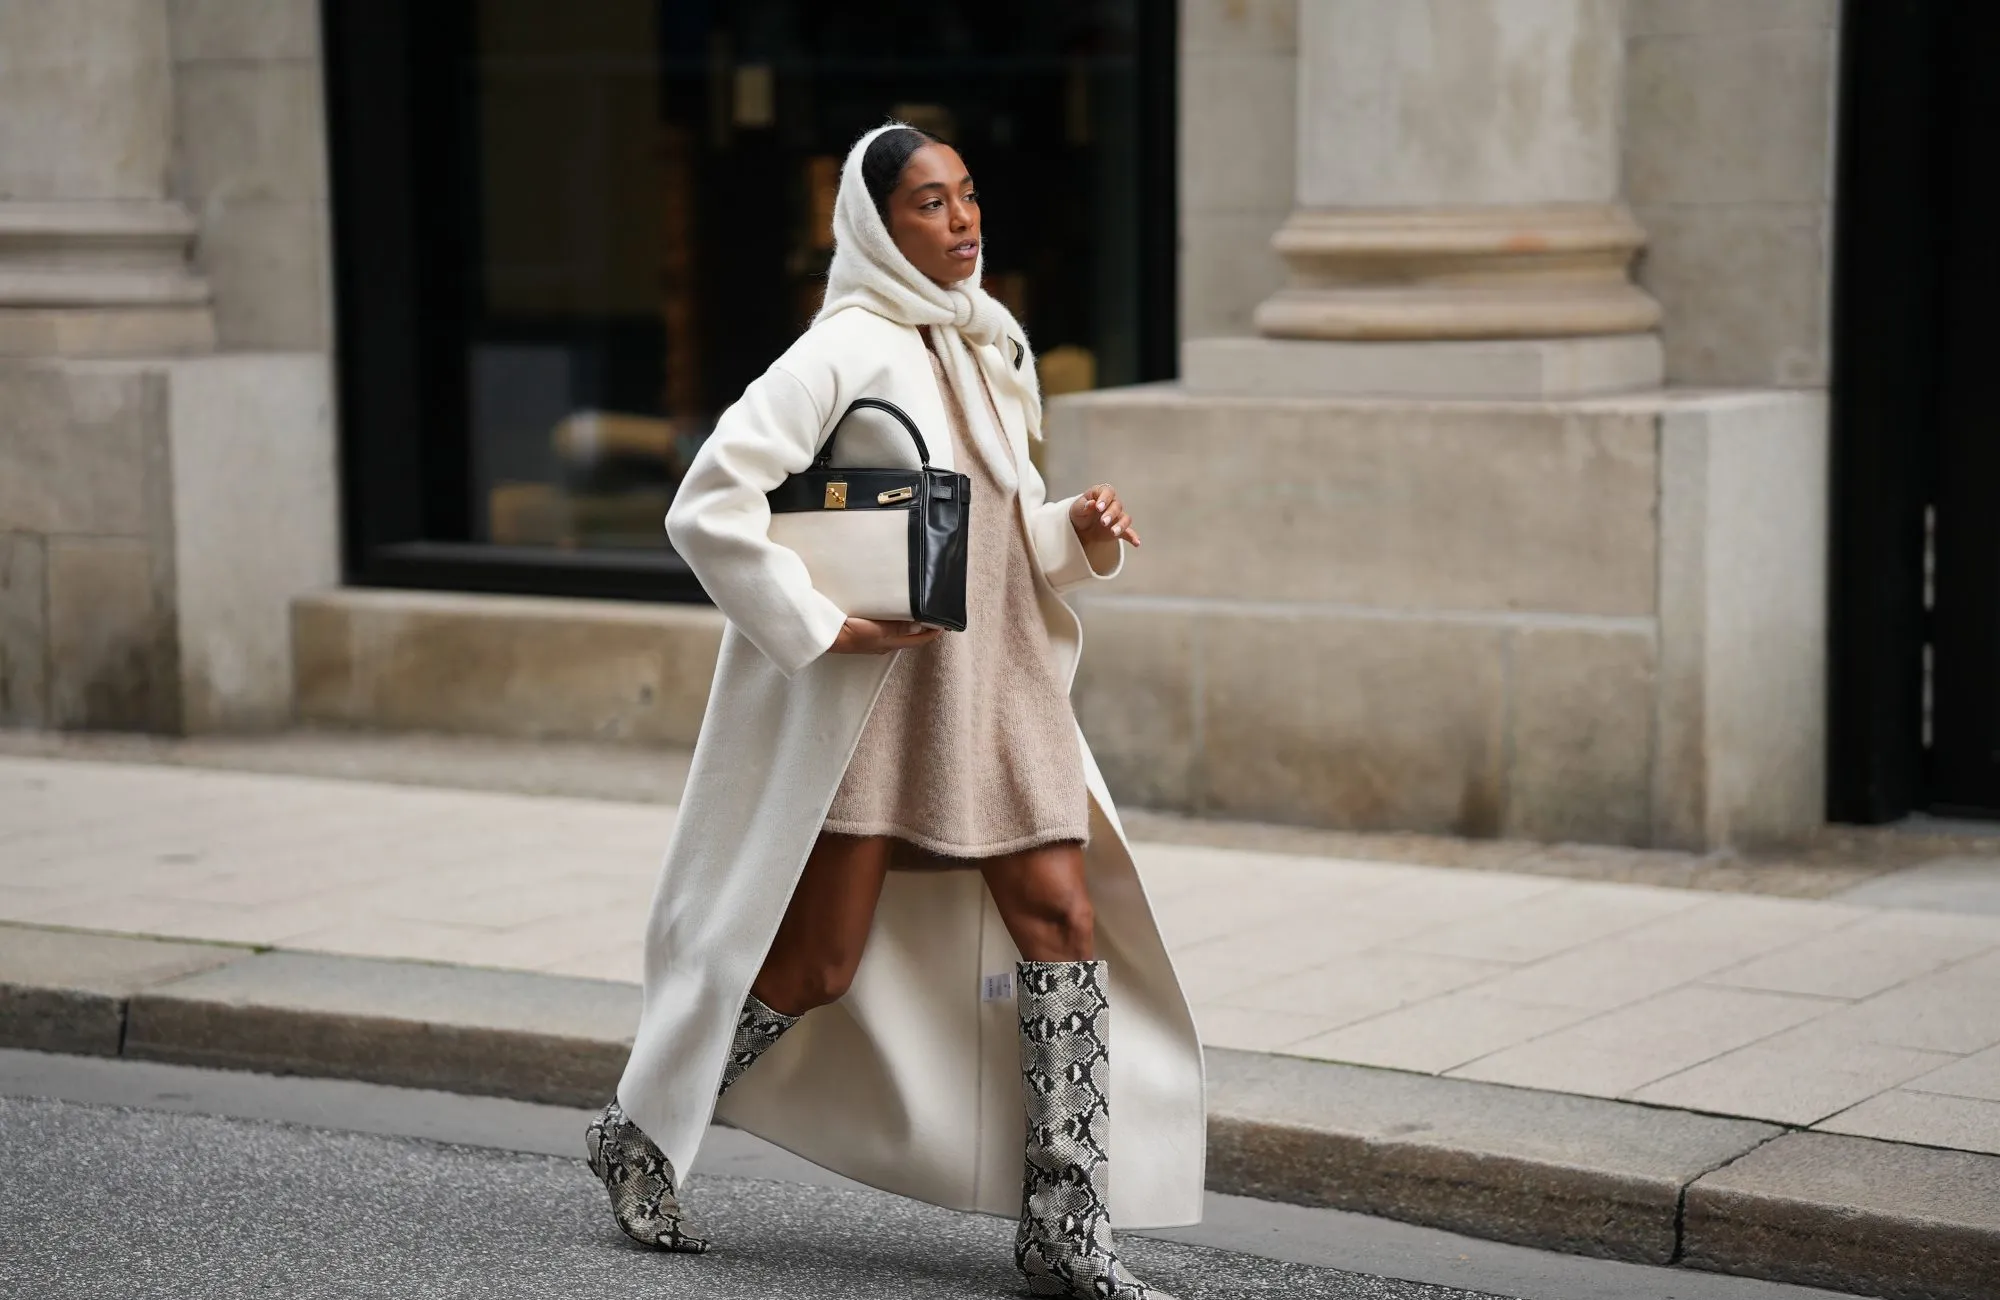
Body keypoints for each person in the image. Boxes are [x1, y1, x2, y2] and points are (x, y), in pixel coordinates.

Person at [585, 122, 1204, 1300]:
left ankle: (1065, 1229)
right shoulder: (842, 348)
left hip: (1002, 683)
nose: (961, 220)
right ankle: (640, 1129)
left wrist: (1071, 528)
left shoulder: (986, 342)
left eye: (967, 195)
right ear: (876, 226)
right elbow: (705, 503)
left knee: (1062, 918)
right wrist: (818, 622)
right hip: (884, 700)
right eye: (929, 203)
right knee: (818, 959)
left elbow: (984, 533)